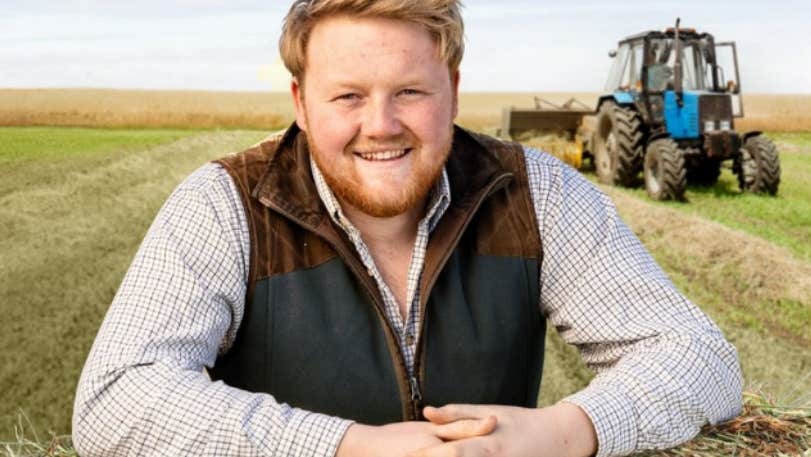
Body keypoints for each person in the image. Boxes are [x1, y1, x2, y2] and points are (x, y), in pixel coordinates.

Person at [72, 1, 743, 456]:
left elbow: (698, 356)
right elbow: (116, 396)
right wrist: (343, 446)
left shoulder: (539, 192)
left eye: (410, 92)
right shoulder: (223, 204)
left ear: (450, 89)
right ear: (301, 102)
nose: (381, 123)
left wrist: (564, 431)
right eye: (348, 96)